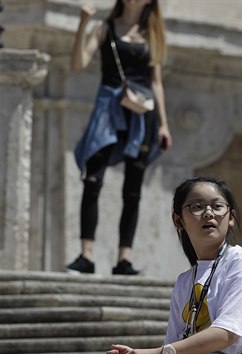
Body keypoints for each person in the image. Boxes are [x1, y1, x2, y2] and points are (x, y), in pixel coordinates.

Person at [106, 176, 242, 354]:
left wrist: (152, 353)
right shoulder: (184, 281)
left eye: (217, 206)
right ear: (178, 221)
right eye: (197, 207)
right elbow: (174, 343)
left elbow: (227, 334)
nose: (209, 213)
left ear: (231, 217)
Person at [66, 0, 172, 275]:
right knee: (92, 179)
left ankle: (124, 259)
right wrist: (82, 24)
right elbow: (77, 65)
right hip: (108, 110)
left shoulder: (153, 33)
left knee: (133, 190)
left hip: (141, 114)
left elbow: (156, 83)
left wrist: (164, 125)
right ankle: (86, 255)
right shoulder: (105, 28)